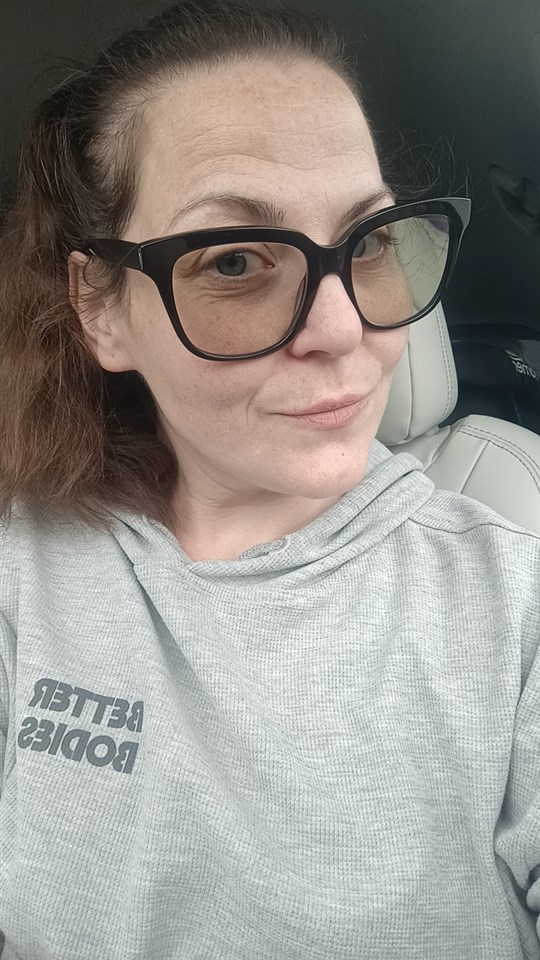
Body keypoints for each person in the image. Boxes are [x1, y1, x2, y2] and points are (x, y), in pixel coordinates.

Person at [0, 1, 538, 958]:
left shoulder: (513, 611)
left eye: (369, 241)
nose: (342, 328)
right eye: (237, 261)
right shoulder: (24, 562)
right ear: (101, 310)